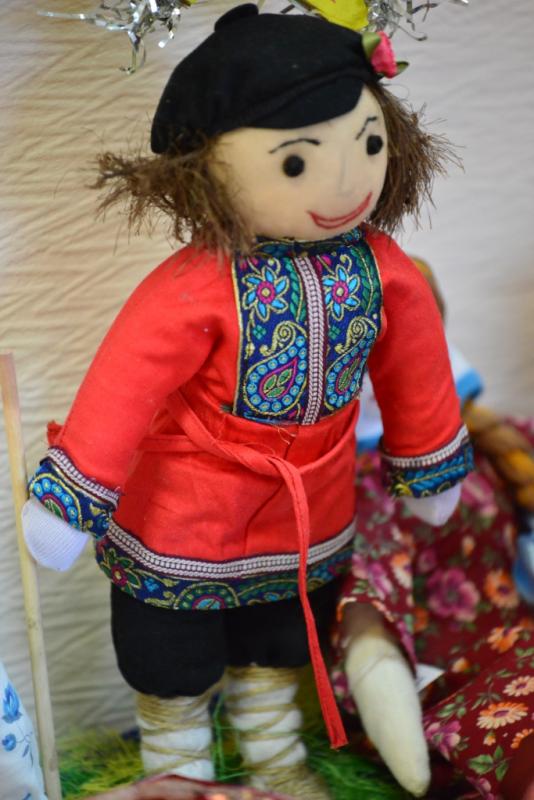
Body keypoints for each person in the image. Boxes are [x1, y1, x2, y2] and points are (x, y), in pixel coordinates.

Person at [21, 6, 473, 797]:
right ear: (207, 170)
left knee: (280, 641)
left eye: (368, 144)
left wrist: (428, 460)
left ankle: (277, 760)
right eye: (296, 163)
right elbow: (125, 383)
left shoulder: (382, 270)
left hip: (308, 513)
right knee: (171, 651)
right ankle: (179, 770)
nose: (347, 183)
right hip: (186, 509)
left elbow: (417, 369)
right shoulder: (200, 282)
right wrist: (74, 496)